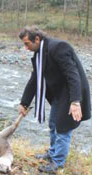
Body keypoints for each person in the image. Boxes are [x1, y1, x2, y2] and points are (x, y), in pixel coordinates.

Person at [18, 26, 91, 174]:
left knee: (63, 128)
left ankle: (58, 163)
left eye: (27, 44)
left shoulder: (58, 47)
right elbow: (35, 79)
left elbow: (73, 75)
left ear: (37, 39)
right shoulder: (40, 53)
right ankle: (52, 154)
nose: (25, 48)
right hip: (59, 94)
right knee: (53, 124)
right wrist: (24, 102)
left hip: (71, 93)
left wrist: (76, 101)